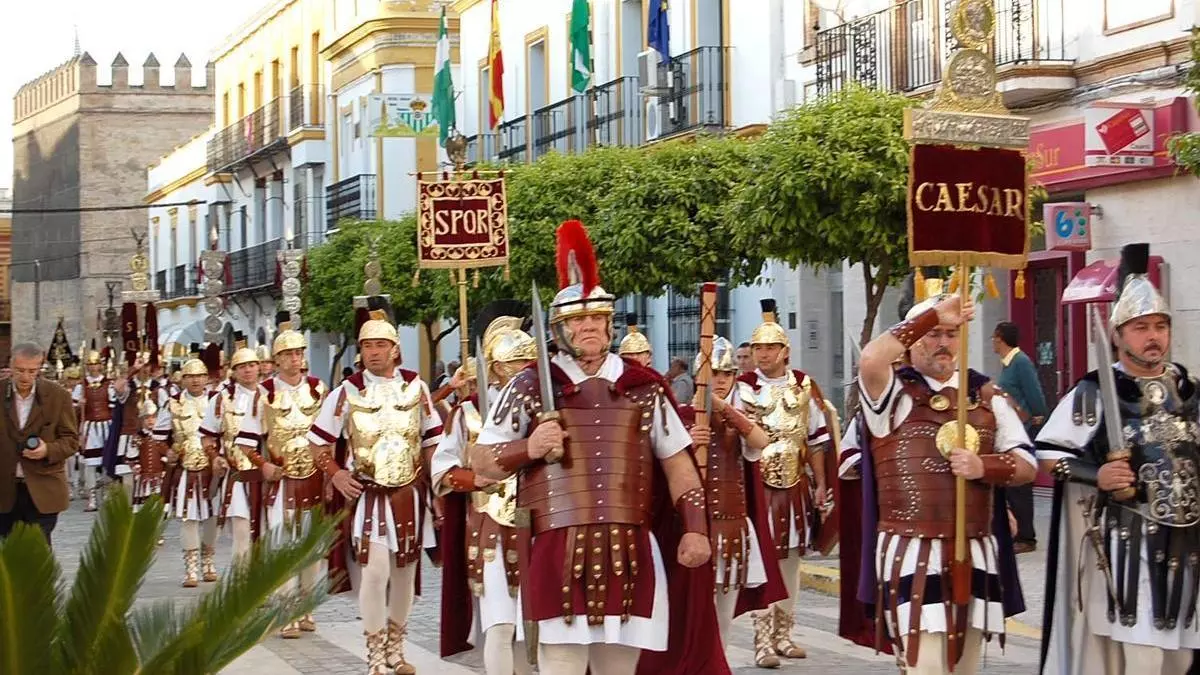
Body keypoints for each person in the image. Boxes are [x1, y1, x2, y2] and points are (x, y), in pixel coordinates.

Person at [469, 220, 722, 675]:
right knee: (561, 665)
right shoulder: (530, 385)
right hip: (556, 547)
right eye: (578, 319)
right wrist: (528, 447)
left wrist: (695, 527)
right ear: (560, 328)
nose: (590, 327)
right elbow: (482, 462)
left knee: (619, 670)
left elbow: (678, 465)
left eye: (597, 318)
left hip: (629, 547)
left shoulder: (644, 387)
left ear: (609, 324)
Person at [852, 278, 1033, 674]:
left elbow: (1027, 464)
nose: (943, 342)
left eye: (952, 333)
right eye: (933, 334)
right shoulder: (893, 394)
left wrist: (986, 467)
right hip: (910, 548)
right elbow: (869, 360)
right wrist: (934, 313)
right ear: (912, 341)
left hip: (976, 546)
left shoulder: (987, 396)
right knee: (927, 664)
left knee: (966, 666)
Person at [1038, 243, 1200, 675]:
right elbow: (1049, 455)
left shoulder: (1190, 389)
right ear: (1118, 335)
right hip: (1130, 547)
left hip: (1189, 549)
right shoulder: (1094, 391)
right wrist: (1099, 474)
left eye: (1160, 326)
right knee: (1143, 659)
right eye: (1141, 327)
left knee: (1181, 659)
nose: (1153, 336)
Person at [308, 308, 442, 675]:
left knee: (404, 574)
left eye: (381, 344)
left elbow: (433, 441)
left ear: (395, 349)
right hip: (368, 497)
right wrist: (335, 474)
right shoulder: (345, 392)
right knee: (375, 570)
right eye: (367, 345)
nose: (374, 352)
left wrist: (439, 489)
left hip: (409, 495)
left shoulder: (417, 386)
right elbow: (317, 444)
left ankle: (396, 648)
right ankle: (374, 650)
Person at [433, 312, 537, 675]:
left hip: (537, 523)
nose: (523, 370)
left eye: (529, 362)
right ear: (495, 367)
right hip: (490, 524)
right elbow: (441, 469)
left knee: (532, 625)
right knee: (500, 624)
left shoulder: (546, 409)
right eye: (514, 363)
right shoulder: (469, 413)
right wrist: (473, 479)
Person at [674, 336, 787, 653]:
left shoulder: (738, 418)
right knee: (691, 615)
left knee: (723, 620)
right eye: (714, 374)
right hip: (694, 526)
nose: (719, 381)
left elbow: (761, 441)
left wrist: (724, 409)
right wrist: (687, 438)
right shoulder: (680, 415)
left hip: (730, 526)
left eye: (726, 374)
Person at [737, 298, 830, 666]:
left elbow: (817, 439)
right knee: (762, 562)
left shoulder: (804, 386)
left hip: (794, 485)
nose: (763, 354)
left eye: (770, 347)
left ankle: (784, 635)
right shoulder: (741, 386)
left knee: (791, 562)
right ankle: (761, 641)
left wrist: (821, 484)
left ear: (784, 350)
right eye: (758, 347)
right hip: (758, 486)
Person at [236, 321, 328, 638]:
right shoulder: (264, 395)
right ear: (277, 360)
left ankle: (306, 607)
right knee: (283, 544)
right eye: (286, 354)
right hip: (282, 478)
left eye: (298, 352)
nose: (293, 359)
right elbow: (246, 442)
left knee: (311, 546)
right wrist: (262, 464)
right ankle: (285, 610)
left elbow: (332, 437)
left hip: (315, 477)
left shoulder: (319, 388)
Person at [0, 342, 80, 544]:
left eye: (32, 371)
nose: (25, 377)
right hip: (4, 489)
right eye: (19, 371)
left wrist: (48, 450)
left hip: (43, 488)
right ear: (10, 367)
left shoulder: (58, 396)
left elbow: (71, 440)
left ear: (40, 368)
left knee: (38, 552)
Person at [156, 354, 221, 587]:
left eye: (199, 376)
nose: (195, 381)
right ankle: (191, 568)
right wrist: (169, 453)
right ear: (182, 379)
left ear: (207, 378)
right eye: (190, 376)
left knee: (213, 517)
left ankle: (208, 561)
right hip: (186, 468)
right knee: (189, 518)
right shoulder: (172, 403)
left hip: (213, 468)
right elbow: (159, 437)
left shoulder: (218, 400)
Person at [200, 339, 264, 566]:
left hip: (268, 475)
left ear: (259, 367)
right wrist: (214, 456)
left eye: (251, 365)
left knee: (266, 532)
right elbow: (207, 435)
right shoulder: (221, 400)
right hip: (237, 474)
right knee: (241, 530)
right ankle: (241, 584)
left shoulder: (272, 395)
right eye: (242, 366)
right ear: (234, 371)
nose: (247, 370)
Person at [991, 320, 1048, 554]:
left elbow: (1034, 393)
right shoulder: (1008, 364)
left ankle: (1027, 536)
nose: (993, 342)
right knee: (1012, 487)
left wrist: (1037, 415)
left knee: (1021, 486)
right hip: (1011, 430)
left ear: (1001, 339)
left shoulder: (1020, 362)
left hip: (1022, 430)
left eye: (994, 338)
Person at [72, 349, 120, 511]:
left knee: (107, 461)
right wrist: (79, 406)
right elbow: (72, 409)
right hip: (90, 427)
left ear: (101, 365)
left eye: (96, 364)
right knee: (90, 463)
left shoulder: (109, 384)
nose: (93, 368)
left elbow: (114, 407)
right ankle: (92, 497)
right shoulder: (81, 386)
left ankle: (107, 494)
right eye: (91, 365)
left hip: (106, 426)